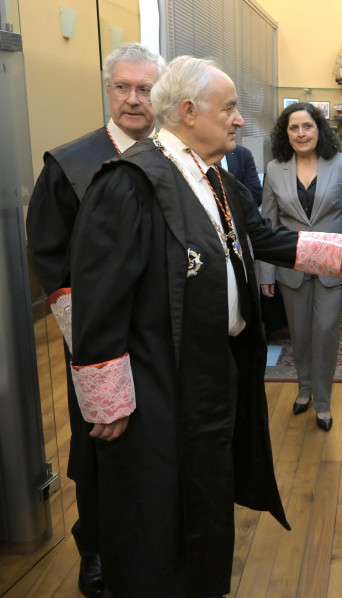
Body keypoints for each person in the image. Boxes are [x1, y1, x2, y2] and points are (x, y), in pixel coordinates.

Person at [66, 56, 342, 598]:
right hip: (158, 383)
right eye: (230, 108)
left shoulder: (215, 179)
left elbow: (264, 237)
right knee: (160, 505)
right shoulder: (131, 182)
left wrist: (341, 248)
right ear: (188, 112)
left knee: (208, 492)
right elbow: (99, 297)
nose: (240, 120)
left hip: (212, 370)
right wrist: (106, 402)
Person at [25, 41, 165, 598]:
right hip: (98, 343)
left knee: (155, 443)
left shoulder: (174, 159)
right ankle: (97, 549)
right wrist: (95, 355)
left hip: (161, 339)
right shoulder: (71, 165)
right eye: (123, 87)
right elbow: (51, 262)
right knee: (100, 444)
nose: (134, 100)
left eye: (146, 89)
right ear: (108, 90)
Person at [257, 102, 342, 431]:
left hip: (333, 267)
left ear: (320, 129)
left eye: (307, 126)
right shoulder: (274, 168)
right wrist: (266, 273)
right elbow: (267, 225)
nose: (301, 133)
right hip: (292, 268)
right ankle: (304, 390)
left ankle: (323, 403)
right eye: (294, 128)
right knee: (299, 335)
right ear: (285, 134)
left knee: (326, 333)